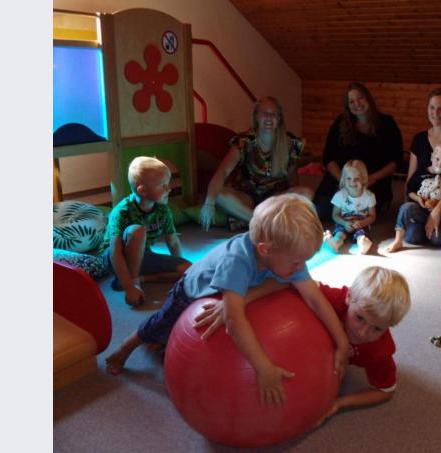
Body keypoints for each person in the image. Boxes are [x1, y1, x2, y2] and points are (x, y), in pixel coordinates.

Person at [105, 194, 351, 407]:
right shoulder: (238, 261)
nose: (301, 268)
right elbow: (234, 320)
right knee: (161, 326)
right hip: (191, 293)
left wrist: (341, 342)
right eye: (296, 262)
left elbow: (314, 299)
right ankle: (124, 348)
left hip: (228, 290)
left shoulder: (285, 255)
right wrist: (263, 367)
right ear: (265, 250)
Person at [194, 266, 412, 424]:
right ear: (349, 298)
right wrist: (240, 301)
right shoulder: (335, 299)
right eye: (360, 318)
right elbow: (290, 279)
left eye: (377, 328)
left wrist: (341, 403)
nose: (363, 332)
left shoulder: (379, 350)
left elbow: (386, 390)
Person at [200, 96, 313, 230]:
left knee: (306, 193)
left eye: (274, 114)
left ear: (279, 119)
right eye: (265, 113)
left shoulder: (289, 142)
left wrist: (293, 202)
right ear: (256, 116)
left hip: (274, 199)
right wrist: (209, 203)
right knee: (218, 195)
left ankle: (248, 220)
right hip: (247, 197)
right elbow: (222, 171)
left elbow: (292, 179)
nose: (269, 118)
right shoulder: (244, 141)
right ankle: (265, 224)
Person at [384, 87, 441, 252]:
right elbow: (411, 179)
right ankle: (415, 230)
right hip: (422, 203)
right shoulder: (419, 139)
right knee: (413, 237)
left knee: (438, 239)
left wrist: (437, 210)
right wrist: (410, 210)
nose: (435, 113)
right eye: (432, 107)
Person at [100, 156, 191, 307]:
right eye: (163, 185)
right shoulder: (122, 212)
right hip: (114, 259)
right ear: (142, 190)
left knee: (189, 270)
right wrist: (130, 288)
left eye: (168, 184)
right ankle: (132, 281)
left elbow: (173, 241)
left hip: (142, 255)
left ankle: (143, 279)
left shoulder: (163, 209)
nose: (169, 189)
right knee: (138, 231)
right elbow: (115, 252)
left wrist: (179, 264)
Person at [312, 82, 403, 221]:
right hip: (341, 179)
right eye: (351, 101)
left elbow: (396, 161)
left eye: (360, 98)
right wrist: (343, 180)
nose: (357, 104)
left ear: (368, 99)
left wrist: (371, 179)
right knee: (320, 210)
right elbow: (329, 158)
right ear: (348, 106)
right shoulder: (340, 123)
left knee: (361, 213)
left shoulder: (387, 123)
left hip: (373, 182)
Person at [385, 140, 441, 252]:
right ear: (432, 157)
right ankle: (397, 240)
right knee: (410, 228)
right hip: (421, 212)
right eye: (437, 159)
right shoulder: (420, 172)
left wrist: (437, 205)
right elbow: (409, 190)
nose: (439, 164)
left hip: (439, 216)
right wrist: (418, 199)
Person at [323, 160, 377, 254]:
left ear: (364, 179)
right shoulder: (339, 196)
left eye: (357, 178)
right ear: (343, 179)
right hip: (344, 222)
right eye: (348, 178)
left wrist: (362, 223)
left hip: (361, 224)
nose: (352, 182)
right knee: (340, 234)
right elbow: (335, 215)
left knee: (361, 235)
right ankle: (335, 243)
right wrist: (344, 223)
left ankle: (363, 244)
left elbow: (372, 216)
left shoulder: (369, 196)